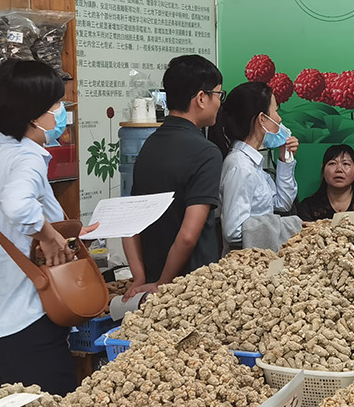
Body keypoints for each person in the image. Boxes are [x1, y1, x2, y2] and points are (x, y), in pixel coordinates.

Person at [0, 59, 93, 395]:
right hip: (29, 328)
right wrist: (50, 236)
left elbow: (4, 231)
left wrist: (64, 233)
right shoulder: (28, 157)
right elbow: (17, 206)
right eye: (55, 104)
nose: (61, 112)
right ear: (33, 115)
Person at [123, 54, 225, 298]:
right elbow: (188, 236)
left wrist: (141, 277)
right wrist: (165, 282)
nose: (219, 103)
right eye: (218, 95)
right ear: (201, 98)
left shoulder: (149, 144)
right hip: (193, 286)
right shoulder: (207, 152)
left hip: (152, 280)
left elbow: (130, 223)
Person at [214, 81, 299, 247]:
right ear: (262, 119)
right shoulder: (240, 167)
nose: (279, 119)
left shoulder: (253, 163)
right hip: (247, 259)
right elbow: (233, 231)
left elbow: (283, 203)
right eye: (276, 111)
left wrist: (285, 159)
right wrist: (286, 226)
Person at [296, 145, 354, 227]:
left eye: (346, 164)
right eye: (332, 163)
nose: (339, 169)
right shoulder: (308, 206)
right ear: (323, 170)